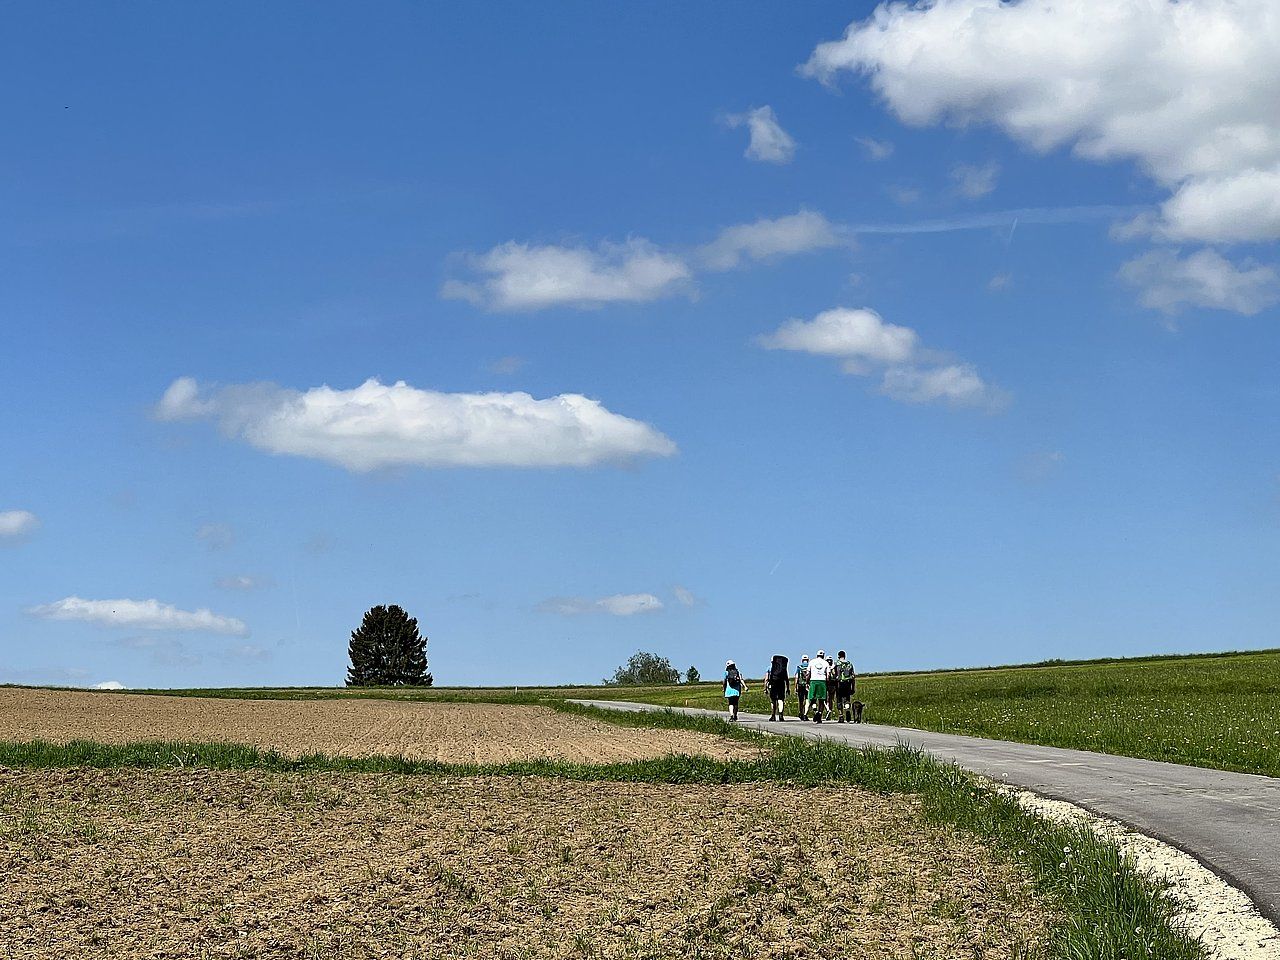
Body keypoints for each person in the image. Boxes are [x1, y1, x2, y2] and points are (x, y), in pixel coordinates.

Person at [834, 650, 857, 723]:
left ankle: (841, 716)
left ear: (838, 656)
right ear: (845, 656)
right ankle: (847, 710)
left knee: (839, 700)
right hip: (848, 684)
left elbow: (833, 674)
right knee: (847, 699)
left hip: (839, 684)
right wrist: (853, 687)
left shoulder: (836, 664)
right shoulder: (849, 664)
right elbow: (853, 676)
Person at [766, 654, 790, 721]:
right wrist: (788, 688)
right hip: (781, 683)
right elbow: (787, 679)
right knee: (781, 699)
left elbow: (766, 679)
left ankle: (773, 715)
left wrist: (766, 687)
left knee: (773, 700)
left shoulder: (770, 668)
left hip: (773, 683)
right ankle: (781, 715)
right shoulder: (783, 669)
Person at [807, 650, 829, 723]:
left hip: (813, 680)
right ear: (823, 656)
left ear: (817, 655)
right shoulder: (826, 663)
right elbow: (828, 675)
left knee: (813, 699)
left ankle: (816, 711)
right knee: (821, 700)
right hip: (822, 681)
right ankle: (820, 713)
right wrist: (827, 683)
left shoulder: (812, 662)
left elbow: (808, 673)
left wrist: (807, 682)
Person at [795, 655, 811, 720]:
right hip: (808, 685)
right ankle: (805, 714)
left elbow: (796, 677)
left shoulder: (799, 667)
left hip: (800, 685)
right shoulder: (810, 666)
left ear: (802, 660)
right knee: (807, 700)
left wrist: (796, 686)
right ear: (808, 660)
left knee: (801, 701)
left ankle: (801, 713)